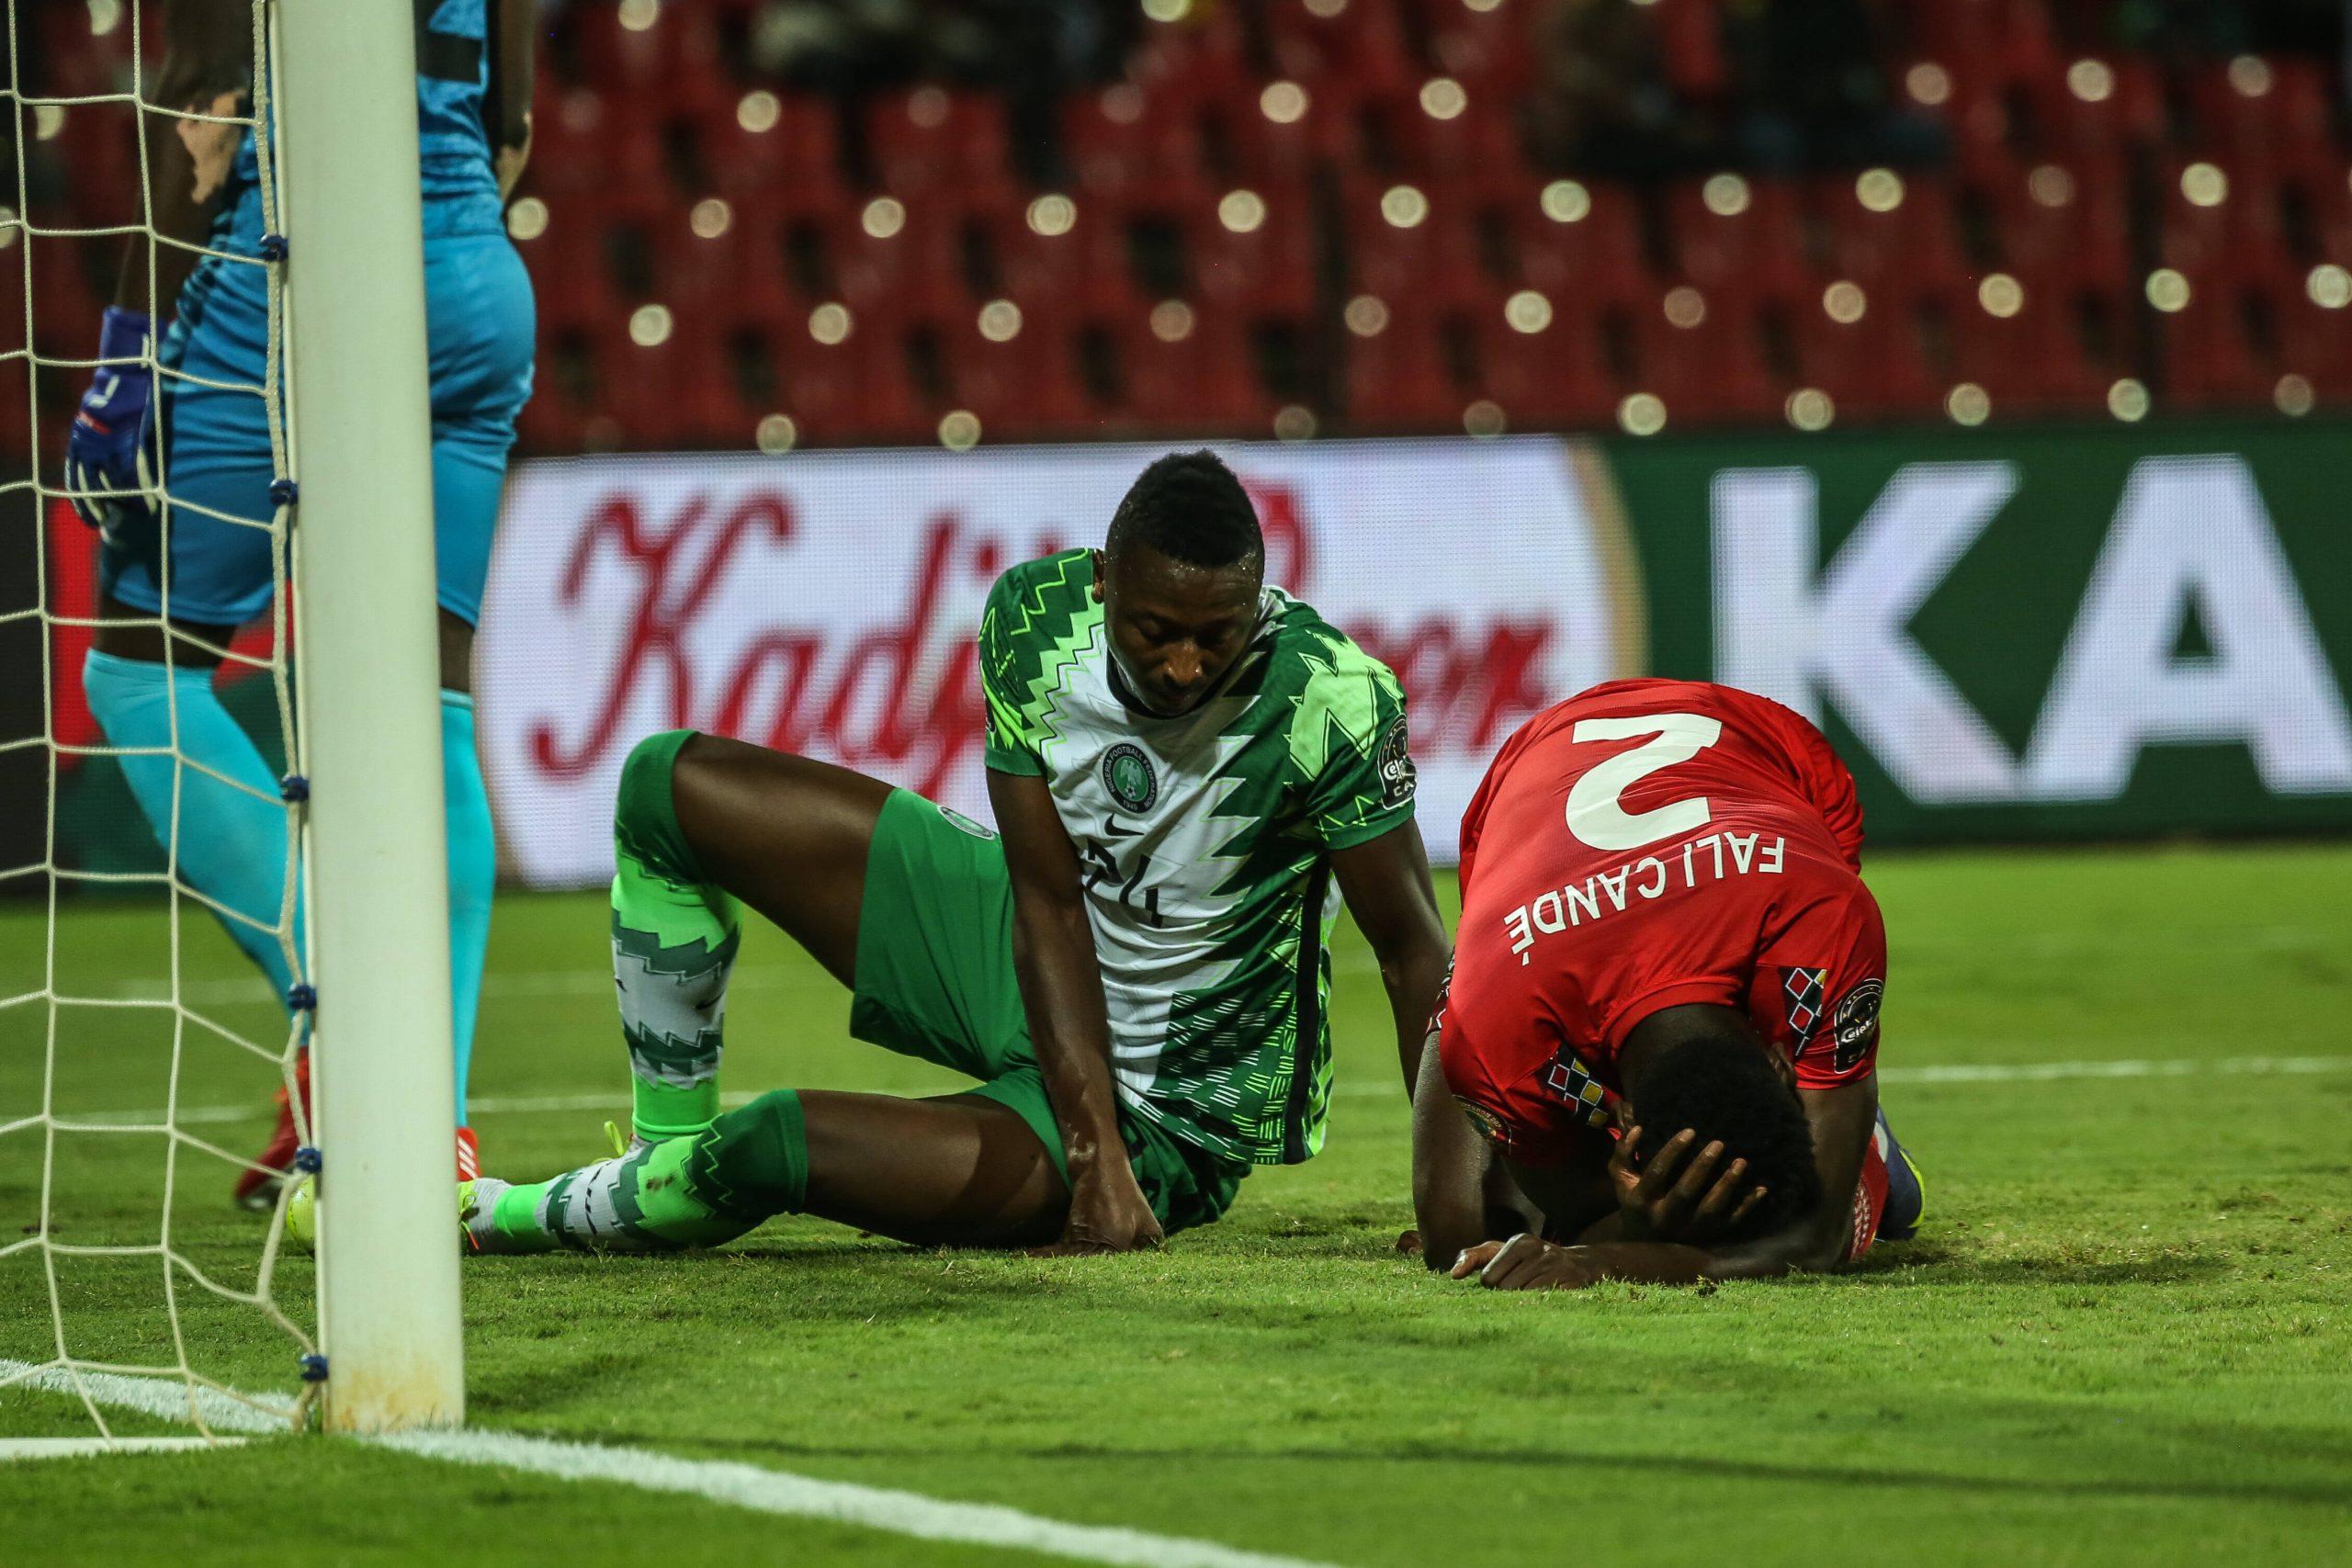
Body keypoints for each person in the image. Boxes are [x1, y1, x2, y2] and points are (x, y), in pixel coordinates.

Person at [445, 450, 1453, 1257]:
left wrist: (1453, 1197)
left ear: (1259, 604)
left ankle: (483, 1214)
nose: (1185, 664)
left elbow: (1414, 952)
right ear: (1104, 585)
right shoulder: (1035, 619)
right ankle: (663, 1160)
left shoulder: (1330, 701)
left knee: (774, 1143)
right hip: (1025, 939)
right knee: (669, 786)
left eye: (1219, 636)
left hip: (1167, 1113)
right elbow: (1046, 902)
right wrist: (1082, 1152)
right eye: (1155, 631)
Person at [62, 0, 537, 1199]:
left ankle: (363, 1025)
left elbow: (206, 119)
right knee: (429, 704)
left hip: (291, 285)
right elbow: (512, 123)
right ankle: (434, 1124)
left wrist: (124, 355)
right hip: (474, 281)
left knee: (137, 674)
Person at [1409, 678, 1924, 1291]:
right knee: (1472, 1224)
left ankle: (1840, 1098)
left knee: (1811, 1164)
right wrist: (1630, 1223)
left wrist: (1611, 1248)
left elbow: (1814, 1239)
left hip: (1763, 770)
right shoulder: (1494, 1014)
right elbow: (1476, 1236)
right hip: (1551, 765)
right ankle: (1846, 1119)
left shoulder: (1829, 916)